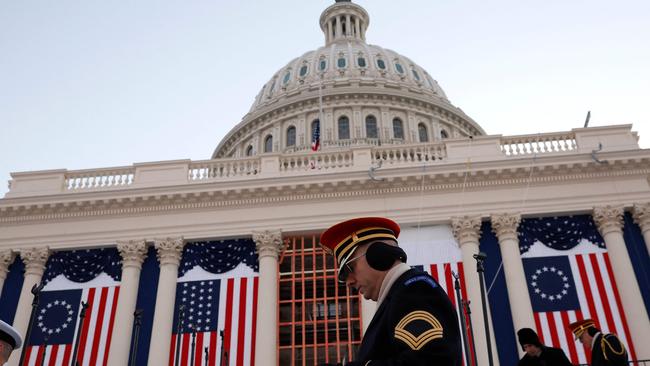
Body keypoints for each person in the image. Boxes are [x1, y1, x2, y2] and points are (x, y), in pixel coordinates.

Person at [319, 217, 462, 365]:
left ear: (377, 255)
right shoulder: (400, 295)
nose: (348, 281)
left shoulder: (415, 290)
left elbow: (429, 360)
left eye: (348, 269)